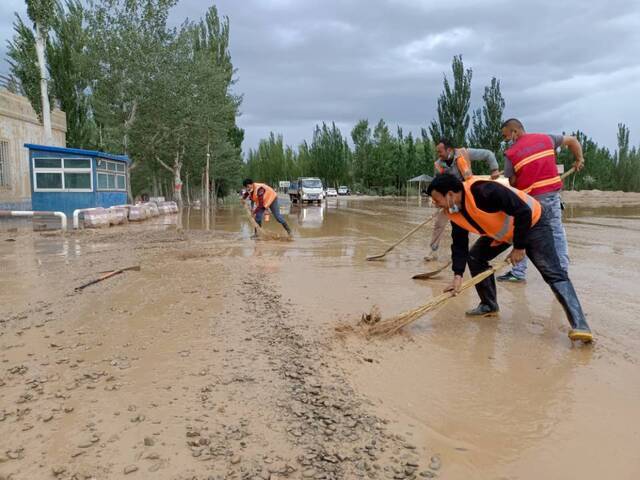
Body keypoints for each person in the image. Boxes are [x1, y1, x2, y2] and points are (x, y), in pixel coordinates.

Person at [426, 173, 593, 343]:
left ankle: (581, 325)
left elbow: (523, 211)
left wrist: (519, 247)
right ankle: (488, 304)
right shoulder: (454, 211)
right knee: (475, 256)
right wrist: (457, 276)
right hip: (506, 233)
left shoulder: (483, 191)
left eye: (436, 199)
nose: (435, 204)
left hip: (533, 222)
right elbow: (459, 244)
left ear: (450, 194)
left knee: (551, 271)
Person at [497, 118, 585, 282]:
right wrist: (579, 159)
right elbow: (573, 140)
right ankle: (562, 272)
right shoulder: (546, 138)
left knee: (523, 233)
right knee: (557, 233)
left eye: (506, 136)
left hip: (529, 203)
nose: (505, 140)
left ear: (515, 132)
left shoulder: (511, 153)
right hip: (551, 198)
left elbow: (513, 182)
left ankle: (518, 273)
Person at [425, 138, 501, 261]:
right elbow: (437, 184)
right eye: (437, 152)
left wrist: (494, 169)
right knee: (439, 224)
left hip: (466, 197)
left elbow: (488, 154)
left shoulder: (465, 153)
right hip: (448, 200)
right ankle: (433, 252)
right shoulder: (438, 164)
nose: (438, 155)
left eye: (440, 152)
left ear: (449, 149)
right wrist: (436, 201)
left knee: (465, 225)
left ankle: (467, 253)